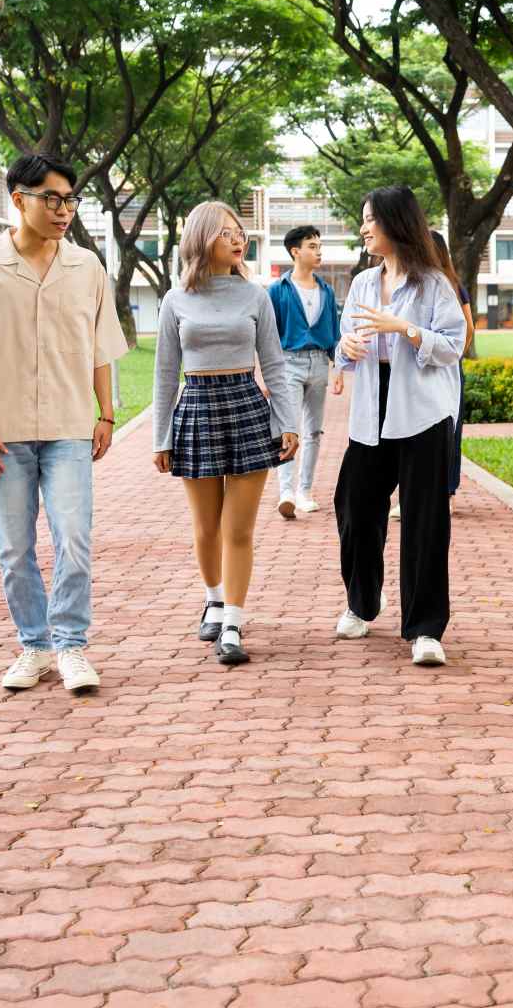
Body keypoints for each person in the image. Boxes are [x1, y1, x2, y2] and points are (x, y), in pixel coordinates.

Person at [0, 153, 127, 694]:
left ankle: (71, 645)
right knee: (14, 549)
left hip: (69, 428)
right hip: (2, 431)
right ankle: (35, 646)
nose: (64, 210)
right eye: (52, 199)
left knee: (74, 540)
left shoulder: (86, 268)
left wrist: (106, 412)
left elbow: (100, 348)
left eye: (70, 200)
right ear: (19, 200)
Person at [152, 201, 299, 665]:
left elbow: (274, 363)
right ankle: (213, 600)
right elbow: (165, 374)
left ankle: (232, 623)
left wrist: (288, 422)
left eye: (241, 234)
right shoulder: (175, 300)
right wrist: (161, 437)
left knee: (239, 529)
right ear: (201, 239)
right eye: (226, 234)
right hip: (196, 409)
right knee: (205, 527)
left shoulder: (256, 296)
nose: (238, 241)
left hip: (247, 408)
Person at [333, 186, 467, 667]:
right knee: (353, 507)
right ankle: (362, 602)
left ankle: (425, 629)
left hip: (423, 411)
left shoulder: (433, 284)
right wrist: (345, 349)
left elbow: (453, 345)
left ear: (396, 222)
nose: (364, 228)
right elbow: (346, 339)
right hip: (372, 408)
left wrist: (405, 329)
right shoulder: (363, 283)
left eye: (371, 219)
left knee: (425, 521)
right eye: (364, 219)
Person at [267, 225, 343, 520]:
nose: (318, 251)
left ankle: (305, 491)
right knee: (288, 428)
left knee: (313, 431)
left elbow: (334, 334)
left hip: (320, 363)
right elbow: (267, 336)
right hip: (289, 364)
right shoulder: (278, 290)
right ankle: (286, 492)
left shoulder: (327, 290)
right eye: (312, 246)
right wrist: (267, 376)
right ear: (295, 251)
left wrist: (339, 369)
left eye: (320, 246)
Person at [431, 229, 477, 500]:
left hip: (446, 368)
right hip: (428, 367)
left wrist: (453, 355)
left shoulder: (451, 285)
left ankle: (447, 492)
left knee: (449, 429)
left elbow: (468, 327)